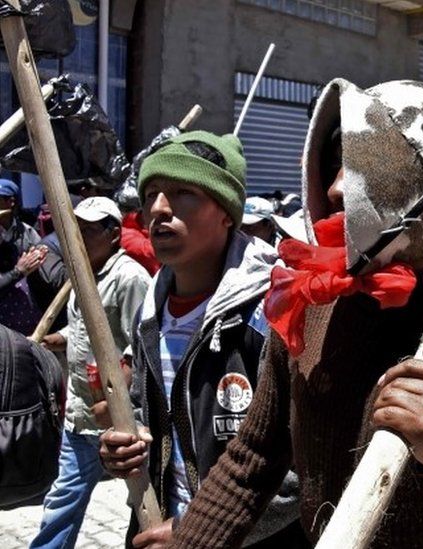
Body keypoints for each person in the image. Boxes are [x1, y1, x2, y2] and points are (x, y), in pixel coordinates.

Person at [157, 79, 423, 548]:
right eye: (332, 164)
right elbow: (252, 459)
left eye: (364, 165)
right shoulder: (313, 302)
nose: (335, 189)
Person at [97, 131, 304, 548]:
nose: (157, 208)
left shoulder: (271, 314)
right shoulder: (150, 315)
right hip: (158, 529)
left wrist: (200, 532)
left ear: (227, 212)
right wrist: (126, 439)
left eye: (182, 192)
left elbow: (300, 468)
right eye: (151, 192)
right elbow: (145, 409)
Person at [30, 197, 151, 549]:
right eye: (75, 230)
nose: (78, 237)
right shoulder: (81, 274)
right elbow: (84, 327)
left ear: (114, 234)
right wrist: (59, 339)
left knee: (141, 501)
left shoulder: (130, 278)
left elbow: (141, 342)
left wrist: (117, 397)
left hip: (117, 420)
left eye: (88, 230)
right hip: (80, 414)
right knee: (62, 501)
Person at [0, 178, 63, 335]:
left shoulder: (27, 233)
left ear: (11, 202)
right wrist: (19, 270)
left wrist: (37, 259)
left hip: (27, 313)